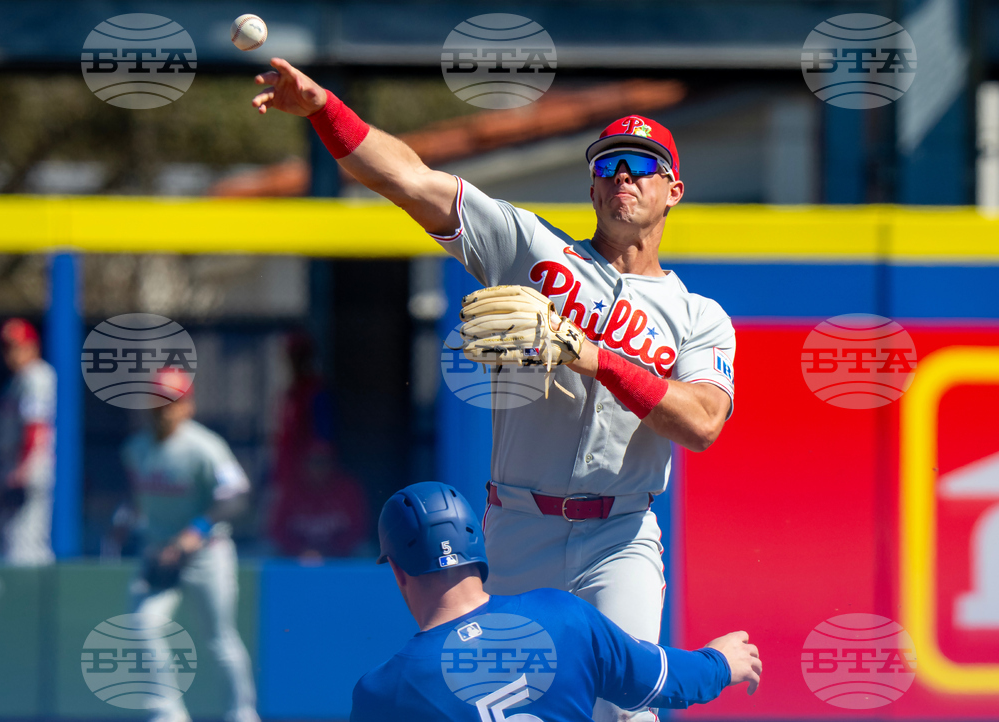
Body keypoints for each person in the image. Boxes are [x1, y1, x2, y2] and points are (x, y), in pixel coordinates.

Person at [251, 59, 736, 722]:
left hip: (618, 535)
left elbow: (704, 423)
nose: (623, 175)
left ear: (673, 188)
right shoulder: (532, 252)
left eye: (641, 165)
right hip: (518, 528)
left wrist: (594, 356)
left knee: (626, 711)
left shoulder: (698, 316)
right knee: (487, 699)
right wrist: (321, 109)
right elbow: (409, 178)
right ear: (591, 185)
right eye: (608, 164)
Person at [353, 481, 760, 722]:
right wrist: (721, 663)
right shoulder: (562, 616)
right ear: (477, 545)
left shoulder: (383, 692)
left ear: (399, 571)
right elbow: (668, 682)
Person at [115, 371, 259, 722]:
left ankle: (242, 713)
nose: (164, 409)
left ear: (188, 406)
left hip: (206, 554)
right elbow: (141, 498)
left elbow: (237, 496)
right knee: (142, 625)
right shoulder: (136, 449)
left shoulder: (204, 446)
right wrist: (124, 523)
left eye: (173, 401)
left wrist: (196, 530)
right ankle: (167, 713)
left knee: (219, 637)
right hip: (161, 553)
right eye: (159, 401)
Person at [268, 331, 369, 559]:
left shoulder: (315, 392)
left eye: (300, 356)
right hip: (292, 481)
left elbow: (322, 443)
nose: (295, 362)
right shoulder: (289, 394)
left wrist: (317, 466)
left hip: (315, 484)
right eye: (292, 356)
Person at [0, 318, 55, 565]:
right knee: (13, 541)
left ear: (33, 347)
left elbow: (35, 425)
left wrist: (22, 471)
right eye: (7, 347)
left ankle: (35, 602)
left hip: (28, 471)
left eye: (18, 346)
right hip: (14, 467)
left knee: (26, 545)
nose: (12, 353)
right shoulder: (17, 381)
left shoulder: (36, 376)